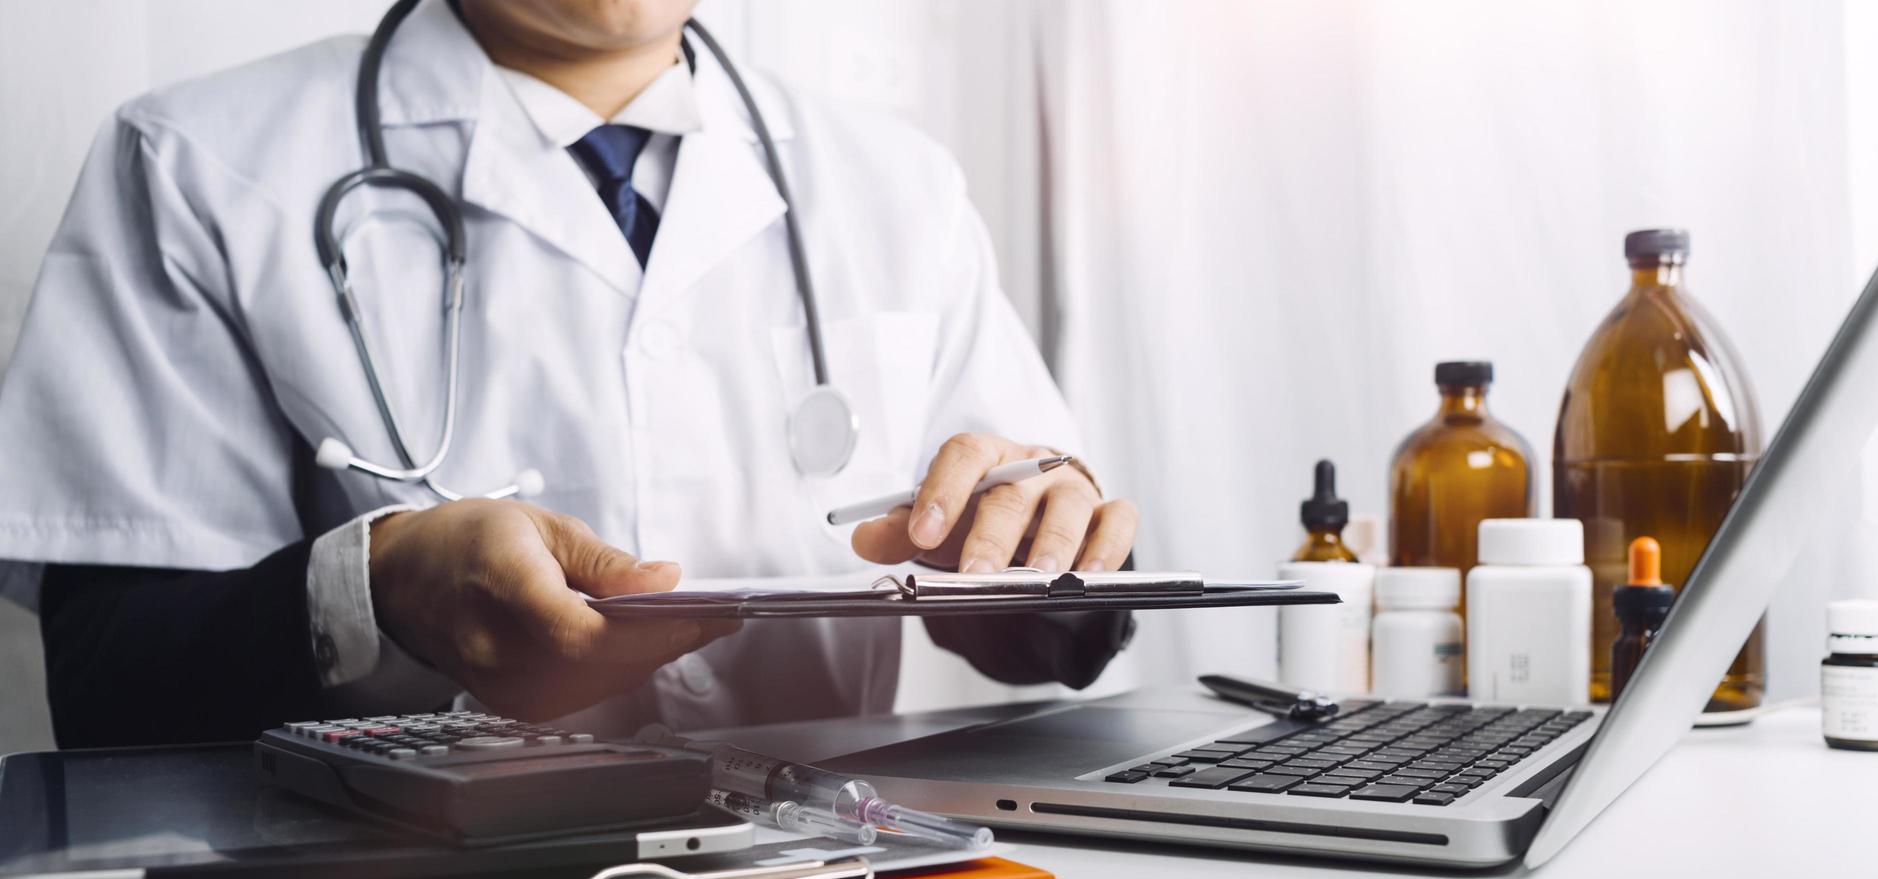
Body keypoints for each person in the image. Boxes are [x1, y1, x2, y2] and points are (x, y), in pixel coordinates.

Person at [0, 0, 1140, 748]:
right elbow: (108, 684)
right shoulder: (198, 162)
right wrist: (380, 589)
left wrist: (1046, 556)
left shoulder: (897, 185)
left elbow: (1065, 632)